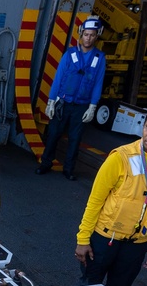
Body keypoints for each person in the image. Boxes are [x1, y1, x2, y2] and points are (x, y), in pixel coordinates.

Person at [74, 104, 147, 286]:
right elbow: (95, 201)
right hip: (106, 239)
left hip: (137, 246)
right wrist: (83, 239)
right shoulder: (120, 157)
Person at [36, 16, 106, 181]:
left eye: (92, 35)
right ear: (81, 34)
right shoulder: (70, 54)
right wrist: (51, 101)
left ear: (97, 36)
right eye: (86, 34)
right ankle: (46, 163)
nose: (88, 38)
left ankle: (69, 169)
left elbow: (98, 84)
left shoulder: (99, 58)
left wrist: (92, 107)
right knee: (53, 133)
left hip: (81, 105)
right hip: (63, 103)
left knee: (75, 139)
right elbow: (58, 77)